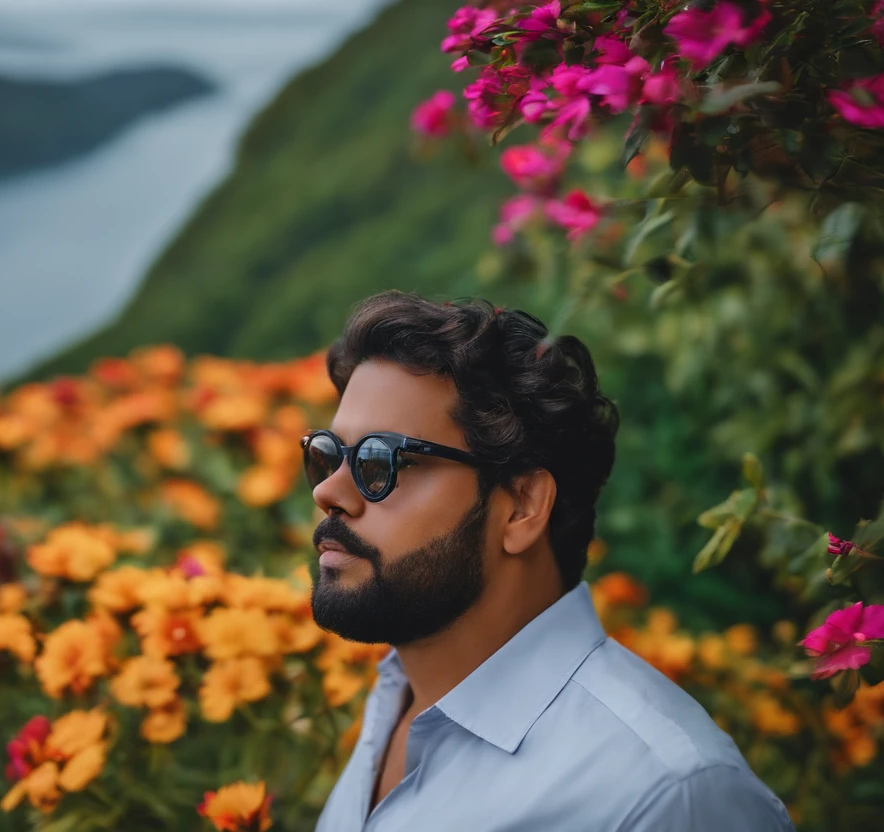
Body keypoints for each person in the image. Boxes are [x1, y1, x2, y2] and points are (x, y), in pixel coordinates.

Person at [306, 291, 793, 831]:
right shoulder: (395, 702)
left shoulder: (665, 793)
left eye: (379, 461)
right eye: (327, 454)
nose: (328, 491)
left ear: (521, 507)